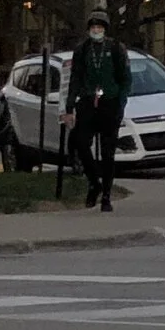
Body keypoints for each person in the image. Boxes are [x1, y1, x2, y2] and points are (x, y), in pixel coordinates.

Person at [63, 11, 131, 211]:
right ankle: (94, 182)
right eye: (93, 27)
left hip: (110, 102)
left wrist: (121, 103)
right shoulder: (82, 49)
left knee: (108, 152)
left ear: (105, 29)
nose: (96, 30)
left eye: (100, 27)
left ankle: (107, 195)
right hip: (87, 100)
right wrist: (69, 106)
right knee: (81, 143)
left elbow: (125, 78)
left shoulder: (116, 48)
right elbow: (75, 78)